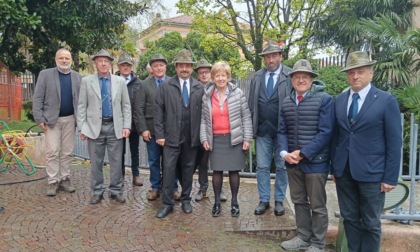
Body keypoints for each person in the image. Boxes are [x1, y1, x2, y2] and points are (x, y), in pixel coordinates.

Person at [332, 51, 402, 252]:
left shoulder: (386, 100)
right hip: (344, 172)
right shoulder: (340, 100)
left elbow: (394, 141)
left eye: (360, 72)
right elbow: (337, 138)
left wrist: (390, 177)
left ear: (371, 74)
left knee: (371, 223)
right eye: (351, 72)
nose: (355, 76)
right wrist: (335, 168)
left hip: (373, 173)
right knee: (350, 219)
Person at [278, 60, 334, 252]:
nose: (300, 79)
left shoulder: (325, 100)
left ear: (311, 79)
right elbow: (282, 131)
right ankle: (303, 237)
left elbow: (326, 132)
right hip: (292, 163)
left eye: (305, 76)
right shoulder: (286, 102)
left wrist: (303, 153)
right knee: (299, 201)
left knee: (317, 205)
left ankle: (318, 243)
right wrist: (285, 153)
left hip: (315, 163)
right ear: (291, 79)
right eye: (297, 76)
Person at [77, 49, 131, 204]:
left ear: (110, 63)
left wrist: (126, 126)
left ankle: (116, 190)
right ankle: (97, 191)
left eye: (106, 61)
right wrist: (82, 127)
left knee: (116, 162)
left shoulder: (119, 82)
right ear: (95, 63)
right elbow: (81, 106)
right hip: (95, 128)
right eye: (100, 61)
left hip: (115, 127)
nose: (103, 63)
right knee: (96, 162)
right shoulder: (87, 81)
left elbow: (126, 106)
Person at [154, 49, 204, 218]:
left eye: (187, 66)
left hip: (191, 137)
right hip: (170, 137)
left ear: (191, 68)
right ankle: (167, 203)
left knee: (188, 170)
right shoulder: (166, 86)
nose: (184, 69)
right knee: (168, 170)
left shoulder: (199, 87)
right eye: (181, 65)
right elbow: (158, 111)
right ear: (175, 67)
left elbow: (205, 114)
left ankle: (186, 200)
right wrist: (160, 134)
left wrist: (202, 136)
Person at [200, 61, 252, 217]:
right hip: (215, 139)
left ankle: (234, 202)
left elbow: (246, 117)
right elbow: (203, 119)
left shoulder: (238, 93)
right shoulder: (207, 95)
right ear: (213, 78)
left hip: (234, 138)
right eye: (217, 75)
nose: (221, 78)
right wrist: (204, 138)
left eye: (223, 75)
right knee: (217, 171)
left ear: (228, 77)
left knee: (234, 171)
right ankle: (216, 202)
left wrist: (247, 138)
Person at [248, 41, 292, 216]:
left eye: (274, 55)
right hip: (262, 130)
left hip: (283, 132)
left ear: (281, 56)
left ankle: (279, 200)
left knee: (282, 167)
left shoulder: (289, 75)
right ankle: (264, 200)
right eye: (267, 56)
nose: (271, 59)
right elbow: (252, 104)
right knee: (262, 167)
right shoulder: (257, 77)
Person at [32, 48, 82, 196]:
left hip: (70, 119)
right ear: (56, 60)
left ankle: (64, 178)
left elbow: (82, 100)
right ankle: (53, 181)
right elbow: (38, 98)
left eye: (67, 58)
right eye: (61, 58)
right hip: (51, 120)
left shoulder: (78, 77)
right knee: (52, 151)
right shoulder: (45, 75)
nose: (64, 61)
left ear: (71, 60)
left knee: (67, 152)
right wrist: (39, 118)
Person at [133, 53, 181, 201]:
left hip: (170, 131)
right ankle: (155, 187)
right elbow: (138, 109)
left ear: (166, 67)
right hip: (152, 131)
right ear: (151, 68)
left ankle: (173, 188)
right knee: (153, 161)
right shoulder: (144, 84)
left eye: (161, 65)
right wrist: (143, 129)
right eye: (155, 65)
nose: (159, 68)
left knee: (170, 161)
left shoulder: (173, 82)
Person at [193, 59, 227, 202]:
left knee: (219, 164)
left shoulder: (217, 87)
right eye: (201, 73)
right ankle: (203, 188)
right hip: (200, 130)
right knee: (202, 163)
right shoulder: (194, 88)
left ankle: (221, 191)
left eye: (206, 72)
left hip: (217, 132)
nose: (204, 75)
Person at [116, 52, 142, 187]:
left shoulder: (138, 83)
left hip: (134, 122)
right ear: (118, 66)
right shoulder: (113, 80)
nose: (125, 67)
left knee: (134, 150)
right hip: (118, 122)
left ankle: (136, 174)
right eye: (123, 65)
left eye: (128, 65)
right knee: (119, 150)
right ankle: (119, 174)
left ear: (132, 67)